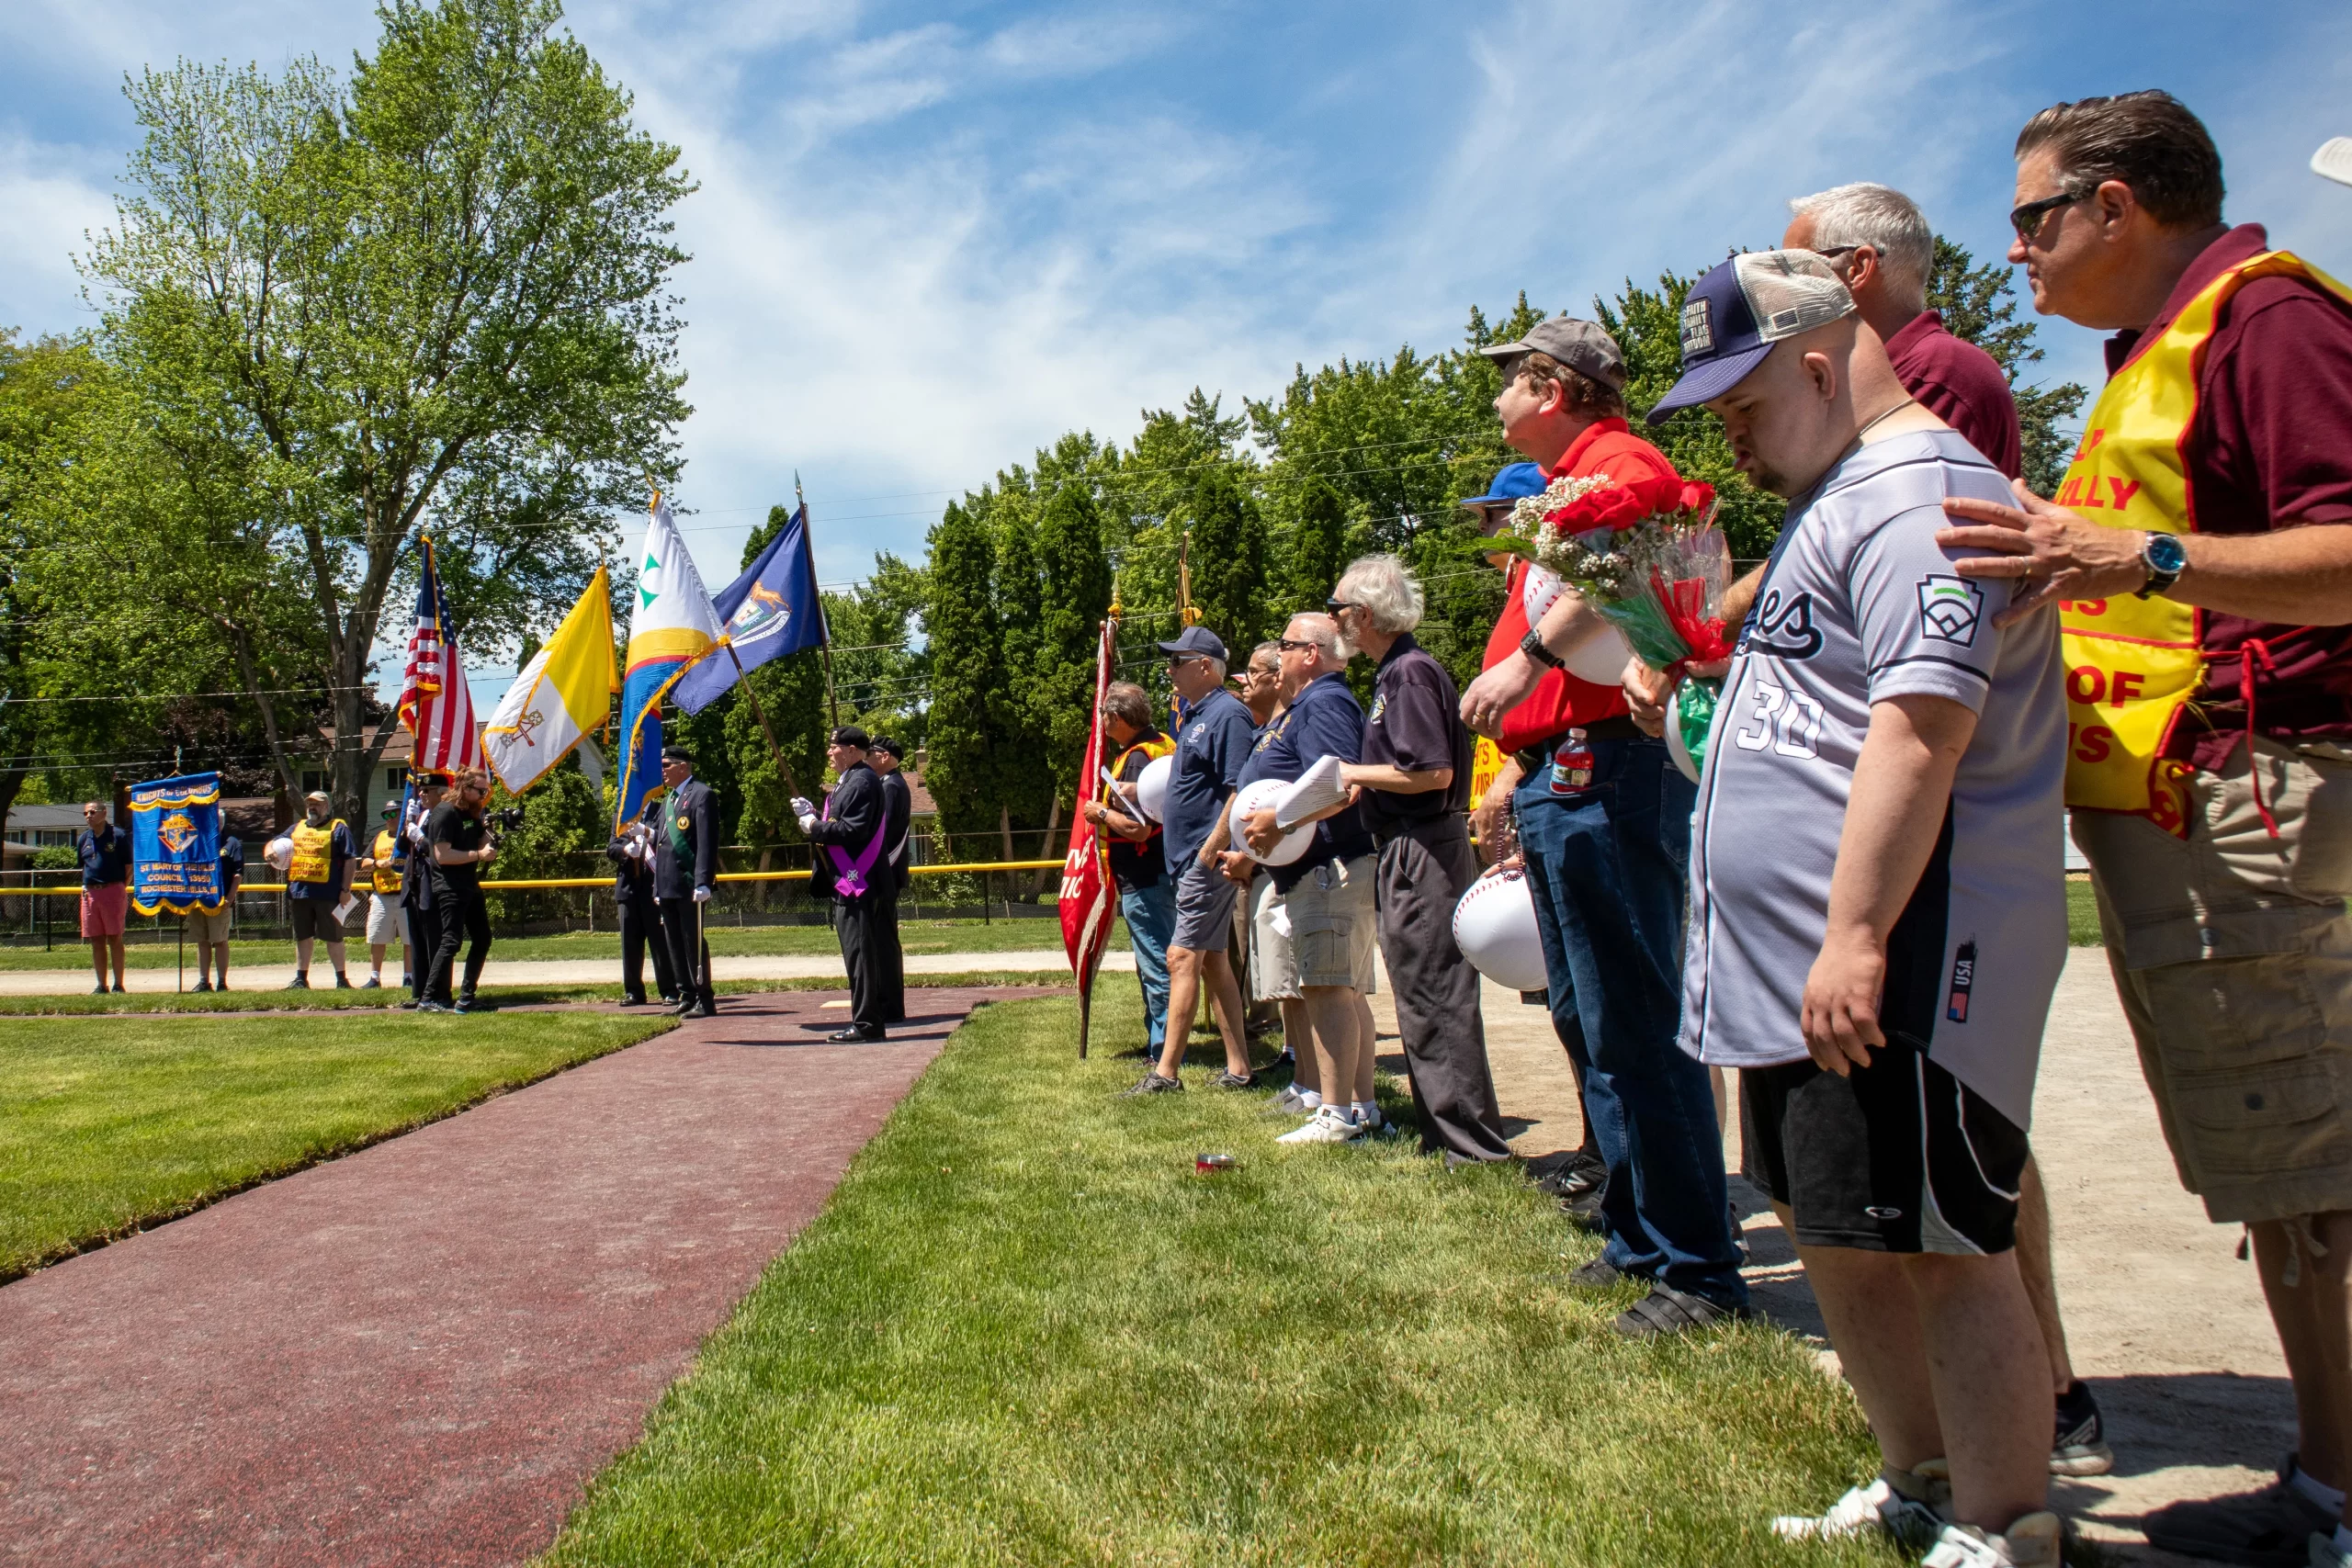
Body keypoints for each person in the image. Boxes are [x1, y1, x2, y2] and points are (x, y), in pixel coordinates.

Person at [1933, 91, 2352, 1568]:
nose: (2022, 251)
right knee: (2277, 1157)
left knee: (2315, 1152)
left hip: (2261, 792)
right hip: (2185, 808)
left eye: (2036, 216)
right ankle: (2327, 1480)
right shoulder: (2145, 360)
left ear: (2120, 206)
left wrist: (2139, 552)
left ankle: (2339, 1499)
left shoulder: (2269, 323)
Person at [1656, 248, 2066, 1565]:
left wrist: (1855, 932)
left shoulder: (1916, 486)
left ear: (1821, 362)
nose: (1730, 435)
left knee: (1945, 1235)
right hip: (1805, 964)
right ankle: (1921, 1473)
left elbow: (1923, 723)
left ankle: (2011, 1522)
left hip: (1906, 941)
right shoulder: (1842, 492)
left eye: (1742, 405)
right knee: (1838, 1221)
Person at [1458, 316, 1751, 1336]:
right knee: (1595, 1016)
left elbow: (1622, 574)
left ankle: (1699, 1268)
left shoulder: (1617, 464)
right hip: (1566, 774)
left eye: (1507, 380)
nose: (1495, 399)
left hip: (1608, 767)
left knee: (1637, 1013)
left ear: (1551, 385)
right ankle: (1641, 1233)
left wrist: (1525, 665)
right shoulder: (1570, 479)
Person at [1330, 555, 1512, 1165]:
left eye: (1337, 610)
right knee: (1421, 994)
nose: (1333, 622)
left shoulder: (1408, 673)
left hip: (1424, 848)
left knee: (1436, 993)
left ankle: (1470, 1147)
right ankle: (1449, 1135)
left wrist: (1354, 771)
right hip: (1411, 847)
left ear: (1364, 613)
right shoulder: (1395, 673)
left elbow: (1430, 770)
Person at [1235, 612, 1382, 1144]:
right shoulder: (1315, 704)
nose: (1281, 652)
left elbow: (1340, 782)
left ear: (1311, 654)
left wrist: (1280, 819)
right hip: (1324, 867)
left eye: (1286, 644)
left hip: (1331, 866)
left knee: (1327, 989)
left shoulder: (1324, 702)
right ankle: (1362, 1109)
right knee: (1339, 990)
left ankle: (1337, 1114)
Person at [1126, 626, 1258, 1095]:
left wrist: (1210, 849)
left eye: (1177, 661)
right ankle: (1240, 1067)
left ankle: (1165, 1074)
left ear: (1205, 666)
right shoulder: (1198, 715)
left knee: (1182, 956)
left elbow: (1240, 788)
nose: (1170, 670)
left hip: (1205, 859)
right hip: (1186, 859)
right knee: (1213, 962)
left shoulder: (1228, 716)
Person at [1083, 682, 1178, 1056]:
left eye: (1105, 717)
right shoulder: (1164, 745)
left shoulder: (1138, 758)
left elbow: (1139, 827)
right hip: (1158, 869)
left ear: (1117, 717)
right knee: (1156, 958)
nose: (1103, 724)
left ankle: (1165, 1048)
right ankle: (1161, 1038)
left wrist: (1100, 813)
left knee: (1155, 960)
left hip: (1145, 873)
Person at [797, 728, 892, 1041]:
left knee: (860, 955)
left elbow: (852, 831)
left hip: (858, 882)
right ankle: (866, 1020)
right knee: (856, 954)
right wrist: (813, 815)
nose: (829, 753)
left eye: (833, 747)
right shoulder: (850, 780)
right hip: (848, 882)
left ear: (851, 750)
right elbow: (840, 822)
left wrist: (814, 827)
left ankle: (867, 1024)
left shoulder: (861, 780)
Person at [422, 768, 496, 1013]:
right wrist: (479, 854)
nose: (484, 795)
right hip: (450, 885)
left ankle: (466, 998)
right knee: (451, 941)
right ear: (465, 789)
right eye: (481, 791)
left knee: (483, 938)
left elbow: (479, 841)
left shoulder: (470, 812)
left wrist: (488, 835)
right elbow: (443, 856)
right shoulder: (444, 813)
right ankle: (428, 999)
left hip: (469, 884)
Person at [655, 746, 719, 1020]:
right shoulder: (670, 799)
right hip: (667, 884)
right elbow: (662, 839)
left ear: (683, 766)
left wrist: (703, 880)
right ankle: (687, 994)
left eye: (667, 765)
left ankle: (704, 998)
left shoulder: (701, 794)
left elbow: (707, 841)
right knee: (674, 943)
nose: (663, 770)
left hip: (689, 883)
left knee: (692, 942)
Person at [606, 794, 676, 1007]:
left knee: (660, 943)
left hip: (654, 887)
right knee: (630, 945)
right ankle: (633, 991)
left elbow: (668, 842)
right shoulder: (621, 816)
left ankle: (669, 990)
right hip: (628, 890)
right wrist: (625, 851)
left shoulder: (662, 811)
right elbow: (611, 848)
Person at [284, 789, 356, 990]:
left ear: (326, 807)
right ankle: (301, 978)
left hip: (328, 893)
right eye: (309, 804)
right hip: (299, 892)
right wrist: (271, 851)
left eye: (316, 804)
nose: (312, 807)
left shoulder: (338, 828)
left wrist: (346, 889)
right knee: (302, 936)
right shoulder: (296, 828)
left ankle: (341, 979)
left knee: (334, 936)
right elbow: (276, 845)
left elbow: (351, 860)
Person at [867, 735, 912, 1024]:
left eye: (870, 753)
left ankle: (889, 1004)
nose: (866, 758)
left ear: (884, 756)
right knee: (880, 939)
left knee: (883, 941)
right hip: (884, 873)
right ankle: (885, 1001)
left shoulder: (892, 786)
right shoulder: (889, 785)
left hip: (884, 873)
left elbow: (883, 833)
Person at [397, 773, 447, 1010]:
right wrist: (407, 823)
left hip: (430, 883)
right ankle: (421, 993)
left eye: (427, 791)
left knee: (434, 941)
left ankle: (438, 993)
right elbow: (401, 847)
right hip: (414, 883)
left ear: (441, 792)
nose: (421, 794)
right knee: (417, 941)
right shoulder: (423, 814)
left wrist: (421, 838)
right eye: (421, 790)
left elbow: (437, 851)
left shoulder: (445, 815)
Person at [76, 799, 131, 995]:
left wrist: (119, 888)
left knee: (114, 938)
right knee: (96, 940)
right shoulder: (84, 839)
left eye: (92, 812)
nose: (88, 816)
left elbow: (128, 866)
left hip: (113, 890)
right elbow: (83, 866)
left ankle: (118, 984)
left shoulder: (117, 836)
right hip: (90, 892)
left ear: (103, 812)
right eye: (85, 814)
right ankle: (101, 985)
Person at [357, 801, 410, 990]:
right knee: (377, 938)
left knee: (409, 940)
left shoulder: (408, 837)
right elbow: (364, 862)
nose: (390, 819)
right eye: (386, 815)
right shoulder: (379, 838)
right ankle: (374, 978)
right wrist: (379, 863)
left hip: (406, 895)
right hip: (382, 895)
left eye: (394, 814)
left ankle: (409, 977)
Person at [188, 832, 241, 992]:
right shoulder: (194, 839)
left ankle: (222, 982)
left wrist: (230, 896)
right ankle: (204, 981)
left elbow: (238, 873)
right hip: (198, 899)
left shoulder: (232, 843)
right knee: (202, 941)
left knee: (220, 941)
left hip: (220, 901)